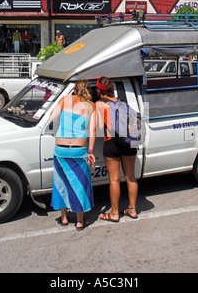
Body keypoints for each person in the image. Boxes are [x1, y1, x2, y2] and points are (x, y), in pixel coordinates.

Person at [50, 80, 96, 230]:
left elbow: (51, 117)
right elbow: (93, 131)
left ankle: (63, 217)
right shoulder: (91, 106)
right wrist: (90, 151)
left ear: (74, 90)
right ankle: (80, 221)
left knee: (61, 182)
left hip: (61, 149)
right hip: (78, 149)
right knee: (79, 184)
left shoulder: (65, 100)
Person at [96, 76, 138, 222]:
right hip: (128, 141)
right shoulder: (122, 102)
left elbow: (100, 128)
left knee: (114, 179)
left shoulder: (100, 104)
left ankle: (114, 213)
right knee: (130, 177)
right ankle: (132, 209)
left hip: (111, 142)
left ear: (98, 90)